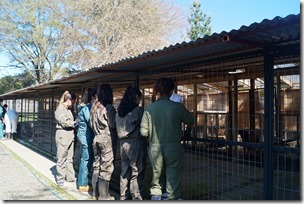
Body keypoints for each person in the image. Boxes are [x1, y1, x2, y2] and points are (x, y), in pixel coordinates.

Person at [140, 77, 194, 200]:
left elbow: (143, 132)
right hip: (174, 147)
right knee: (173, 177)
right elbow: (191, 120)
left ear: (157, 91)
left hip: (155, 148)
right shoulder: (177, 107)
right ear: (171, 91)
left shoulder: (149, 109)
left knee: (157, 177)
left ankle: (156, 197)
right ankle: (171, 197)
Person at [115, 86, 147, 200]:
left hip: (122, 144)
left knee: (125, 171)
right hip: (134, 143)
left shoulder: (119, 111)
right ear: (136, 97)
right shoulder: (138, 111)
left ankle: (123, 196)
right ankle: (136, 197)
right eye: (139, 97)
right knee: (137, 171)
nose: (140, 100)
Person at [90, 84, 117, 200]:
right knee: (106, 167)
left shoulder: (94, 108)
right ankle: (104, 196)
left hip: (96, 137)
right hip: (106, 139)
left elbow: (91, 124)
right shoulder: (109, 108)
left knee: (97, 165)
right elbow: (112, 124)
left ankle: (95, 194)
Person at [54, 90, 78, 187]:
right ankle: (60, 178)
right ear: (68, 100)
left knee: (69, 158)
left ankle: (70, 177)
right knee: (61, 157)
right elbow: (65, 122)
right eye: (73, 102)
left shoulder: (69, 109)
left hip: (70, 135)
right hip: (63, 135)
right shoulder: (60, 109)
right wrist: (76, 122)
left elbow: (74, 118)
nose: (73, 104)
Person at [76, 88, 96, 192]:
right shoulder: (87, 108)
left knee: (85, 158)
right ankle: (82, 184)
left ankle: (83, 181)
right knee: (86, 158)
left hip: (83, 135)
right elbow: (91, 122)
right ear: (93, 97)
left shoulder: (82, 107)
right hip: (86, 136)